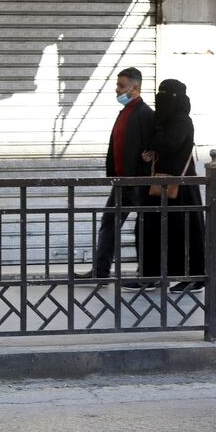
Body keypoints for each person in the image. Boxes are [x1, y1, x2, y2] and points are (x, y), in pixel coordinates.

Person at [75, 67, 154, 288]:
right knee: (109, 223)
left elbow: (153, 146)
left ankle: (147, 275)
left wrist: (147, 161)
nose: (117, 90)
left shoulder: (145, 114)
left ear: (135, 87)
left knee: (144, 226)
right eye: (117, 85)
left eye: (121, 85)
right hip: (121, 182)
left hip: (137, 183)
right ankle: (100, 272)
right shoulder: (125, 112)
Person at [140, 79, 205, 293]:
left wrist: (157, 132)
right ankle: (154, 275)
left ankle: (196, 277)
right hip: (160, 182)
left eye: (165, 94)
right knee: (154, 228)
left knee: (186, 229)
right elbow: (157, 144)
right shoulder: (165, 119)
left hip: (182, 185)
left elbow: (169, 144)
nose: (161, 97)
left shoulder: (180, 120)